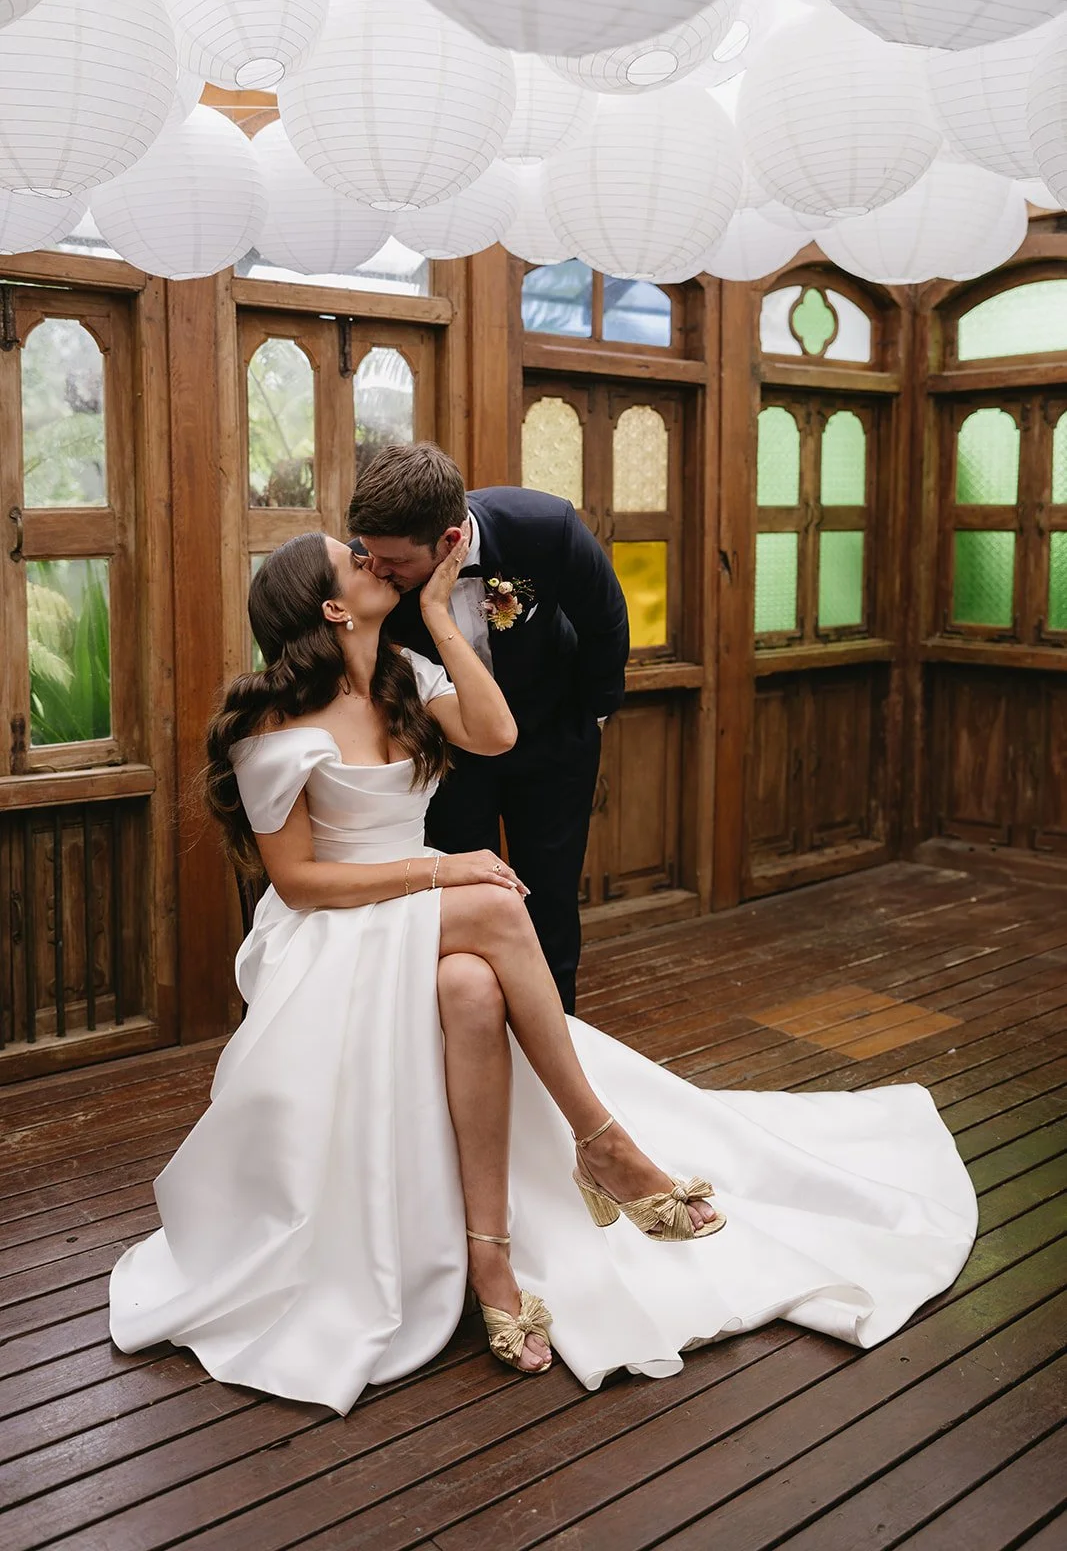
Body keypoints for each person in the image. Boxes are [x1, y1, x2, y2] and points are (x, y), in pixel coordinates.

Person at [109, 530, 977, 1416]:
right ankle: (602, 1142)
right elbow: (298, 881)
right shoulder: (273, 722)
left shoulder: (407, 673)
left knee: (473, 988)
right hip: (333, 931)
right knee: (491, 898)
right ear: (332, 607)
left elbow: (495, 733)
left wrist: (447, 627)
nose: (378, 564)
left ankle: (490, 1251)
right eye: (357, 563)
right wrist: (445, 868)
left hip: (420, 919)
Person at [347, 442, 629, 1013]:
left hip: (552, 739)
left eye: (394, 563)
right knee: (457, 902)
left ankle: (558, 1046)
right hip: (448, 756)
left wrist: (591, 717)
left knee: (548, 897)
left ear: (451, 542)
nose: (375, 570)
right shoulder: (372, 555)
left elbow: (606, 619)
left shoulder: (544, 528)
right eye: (369, 556)